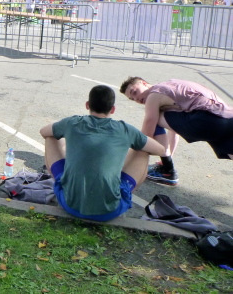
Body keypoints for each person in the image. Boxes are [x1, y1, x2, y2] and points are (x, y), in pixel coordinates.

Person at [40, 86, 164, 222]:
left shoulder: (71, 122)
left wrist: (69, 141)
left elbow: (44, 131)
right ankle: (124, 193)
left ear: (87, 105)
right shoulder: (125, 129)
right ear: (113, 109)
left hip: (70, 204)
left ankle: (66, 185)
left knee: (51, 137)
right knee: (143, 150)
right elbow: (160, 150)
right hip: (110, 211)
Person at [120, 76, 233, 186]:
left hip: (205, 119)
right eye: (132, 99)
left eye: (134, 92)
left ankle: (167, 170)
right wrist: (169, 158)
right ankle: (167, 168)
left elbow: (146, 134)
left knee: (154, 118)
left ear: (143, 83)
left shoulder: (153, 95)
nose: (136, 99)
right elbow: (174, 130)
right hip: (227, 117)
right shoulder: (172, 86)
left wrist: (128, 163)